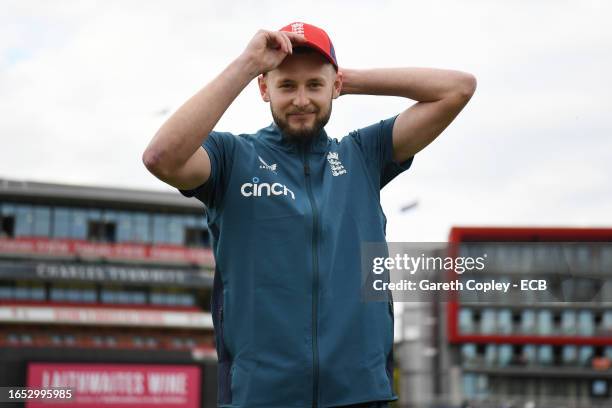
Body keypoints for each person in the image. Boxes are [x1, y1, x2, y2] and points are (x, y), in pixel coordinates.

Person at [143, 21, 476, 408]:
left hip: (360, 394)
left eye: (314, 85)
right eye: (286, 85)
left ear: (334, 88)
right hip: (261, 396)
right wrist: (247, 65)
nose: (301, 99)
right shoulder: (231, 158)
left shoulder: (363, 155)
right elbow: (161, 157)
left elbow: (458, 88)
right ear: (265, 89)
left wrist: (345, 79)